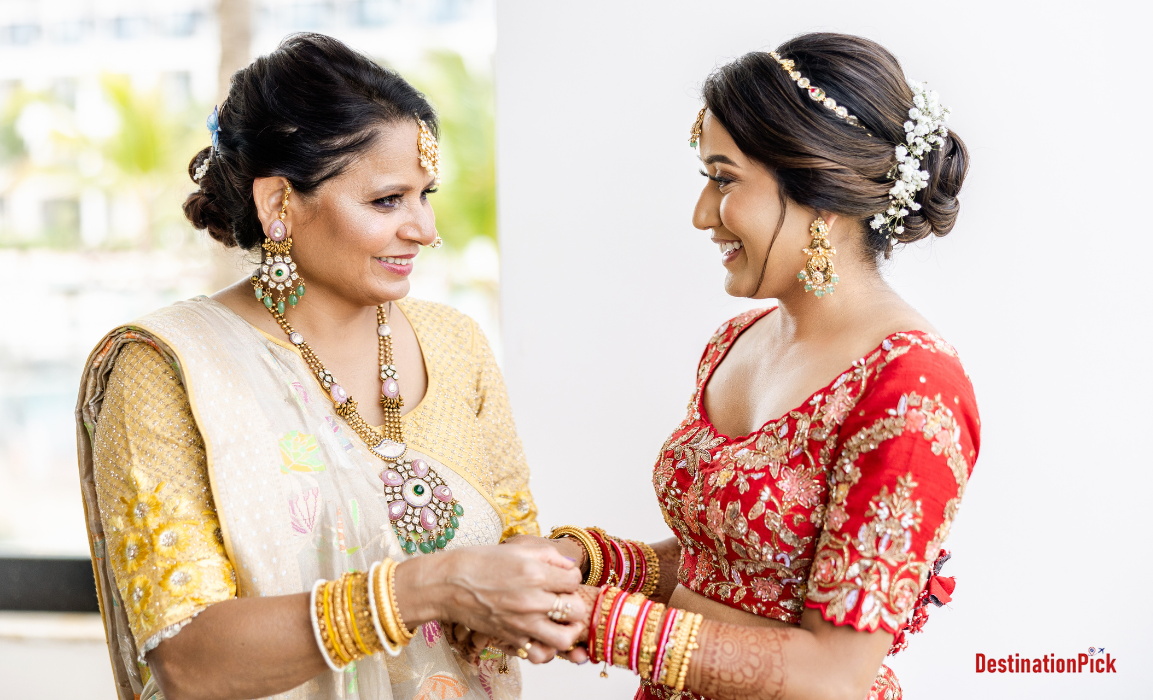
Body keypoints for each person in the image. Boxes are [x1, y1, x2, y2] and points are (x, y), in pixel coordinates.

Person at [75, 33, 585, 700]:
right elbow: (190, 662)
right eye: (387, 201)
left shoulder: (454, 344)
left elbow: (514, 570)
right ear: (279, 204)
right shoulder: (169, 368)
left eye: (425, 195)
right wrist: (430, 587)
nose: (425, 229)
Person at [510, 33, 979, 700]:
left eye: (723, 179)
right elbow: (729, 567)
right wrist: (586, 564)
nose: (703, 214)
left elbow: (832, 674)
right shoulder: (736, 341)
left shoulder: (911, 386)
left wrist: (597, 620)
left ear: (818, 189)